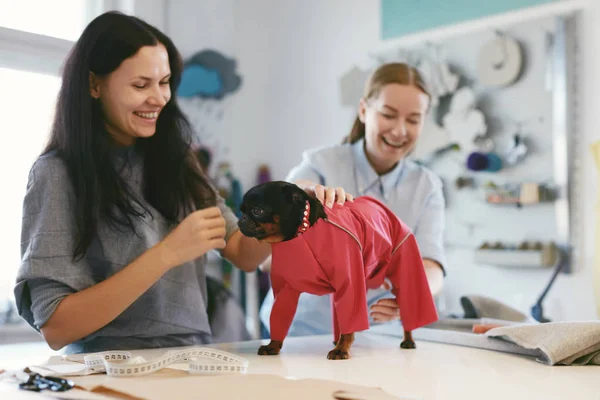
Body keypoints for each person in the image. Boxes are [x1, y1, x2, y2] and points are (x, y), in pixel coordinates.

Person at [13, 11, 348, 354]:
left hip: (193, 361)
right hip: (109, 370)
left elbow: (243, 253)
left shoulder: (178, 160)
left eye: (164, 82)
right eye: (140, 85)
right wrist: (167, 253)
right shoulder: (57, 174)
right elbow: (56, 326)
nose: (159, 98)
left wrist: (293, 204)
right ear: (94, 84)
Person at [259, 62, 446, 336]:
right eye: (388, 115)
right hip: (301, 331)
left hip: (379, 336)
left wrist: (411, 293)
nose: (399, 130)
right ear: (363, 110)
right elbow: (269, 246)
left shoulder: (426, 186)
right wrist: (304, 194)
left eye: (413, 119)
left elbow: (431, 266)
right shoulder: (321, 164)